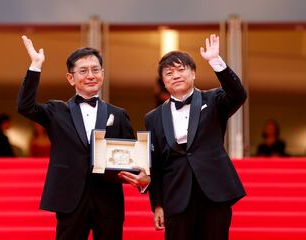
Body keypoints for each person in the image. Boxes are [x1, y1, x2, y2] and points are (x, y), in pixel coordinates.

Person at [18, 35, 150, 240]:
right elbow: (25, 107)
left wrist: (143, 176)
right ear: (71, 78)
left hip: (108, 200)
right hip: (70, 199)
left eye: (95, 70)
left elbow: (130, 155)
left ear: (103, 74)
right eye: (83, 71)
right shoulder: (56, 110)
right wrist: (35, 66)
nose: (90, 75)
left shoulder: (119, 114)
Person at [144, 34, 247, 240]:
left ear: (193, 74)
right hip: (176, 196)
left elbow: (238, 94)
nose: (175, 75)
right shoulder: (152, 118)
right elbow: (154, 163)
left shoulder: (214, 100)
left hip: (214, 191)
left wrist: (215, 61)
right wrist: (157, 204)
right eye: (169, 73)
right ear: (163, 81)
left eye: (181, 70)